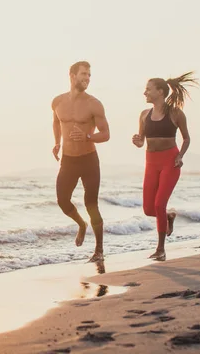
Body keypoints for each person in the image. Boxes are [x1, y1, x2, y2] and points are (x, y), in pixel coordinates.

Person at [132, 72, 197, 261]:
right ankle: (169, 217)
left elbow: (186, 138)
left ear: (160, 92)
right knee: (148, 209)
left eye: (148, 89)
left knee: (159, 204)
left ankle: (160, 249)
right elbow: (141, 141)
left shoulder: (176, 113)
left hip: (170, 161)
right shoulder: (144, 115)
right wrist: (137, 140)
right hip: (151, 162)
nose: (145, 93)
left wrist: (180, 155)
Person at [52, 61, 110, 262]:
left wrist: (87, 137)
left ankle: (99, 250)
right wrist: (57, 143)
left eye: (89, 75)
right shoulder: (57, 102)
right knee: (62, 200)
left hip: (88, 160)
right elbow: (56, 122)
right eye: (84, 74)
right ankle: (81, 225)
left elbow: (106, 134)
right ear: (72, 75)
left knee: (91, 203)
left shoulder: (94, 104)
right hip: (68, 160)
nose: (87, 78)